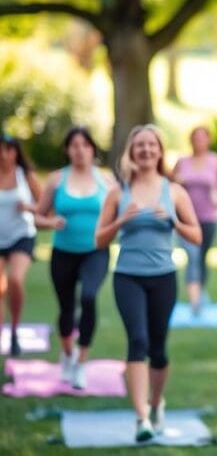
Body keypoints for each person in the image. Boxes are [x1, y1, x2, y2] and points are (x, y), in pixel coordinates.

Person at [95, 124, 200, 442]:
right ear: (131, 152)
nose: (146, 150)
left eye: (151, 145)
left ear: (160, 151)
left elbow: (196, 235)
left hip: (163, 277)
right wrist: (120, 221)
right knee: (137, 341)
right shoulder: (118, 192)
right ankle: (141, 417)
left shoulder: (174, 192)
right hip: (127, 276)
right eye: (139, 145)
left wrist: (173, 221)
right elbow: (99, 240)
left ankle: (156, 403)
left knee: (158, 348)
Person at [35, 127, 113, 388]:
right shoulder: (57, 180)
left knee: (89, 297)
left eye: (85, 145)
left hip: (96, 252)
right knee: (66, 308)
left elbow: (118, 212)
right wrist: (50, 222)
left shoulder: (106, 180)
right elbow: (38, 217)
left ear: (92, 149)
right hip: (63, 253)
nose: (80, 150)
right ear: (68, 150)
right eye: (74, 145)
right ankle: (68, 354)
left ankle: (81, 361)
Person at [172, 125, 217, 313]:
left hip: (208, 218)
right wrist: (177, 180)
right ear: (191, 140)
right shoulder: (182, 162)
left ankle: (201, 290)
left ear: (209, 140)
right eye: (196, 137)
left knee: (202, 257)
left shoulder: (216, 161)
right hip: (185, 218)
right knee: (193, 256)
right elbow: (170, 186)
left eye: (203, 137)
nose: (199, 141)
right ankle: (195, 301)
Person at [0, 134, 41, 357]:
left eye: (8, 149)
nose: (4, 154)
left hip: (21, 236)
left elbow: (45, 207)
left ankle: (15, 328)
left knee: (15, 279)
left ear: (16, 152)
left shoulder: (25, 176)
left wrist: (29, 207)